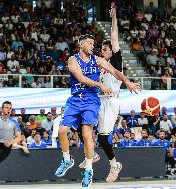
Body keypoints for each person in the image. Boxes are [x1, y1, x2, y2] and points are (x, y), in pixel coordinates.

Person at [54, 33, 139, 187]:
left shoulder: (98, 60)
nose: (93, 46)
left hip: (92, 101)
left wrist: (128, 82)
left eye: (94, 43)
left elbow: (116, 72)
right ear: (81, 44)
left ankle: (89, 170)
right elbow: (80, 78)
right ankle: (67, 160)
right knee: (62, 131)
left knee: (88, 136)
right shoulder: (73, 59)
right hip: (75, 99)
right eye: (90, 43)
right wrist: (100, 85)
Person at [78, 3, 140, 183]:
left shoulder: (116, 62)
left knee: (104, 139)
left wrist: (113, 18)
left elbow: (114, 38)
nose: (102, 51)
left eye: (105, 49)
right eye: (102, 49)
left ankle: (114, 164)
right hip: (98, 100)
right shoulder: (98, 64)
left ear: (112, 52)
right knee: (81, 123)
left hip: (110, 102)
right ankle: (92, 155)